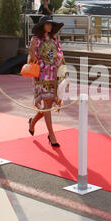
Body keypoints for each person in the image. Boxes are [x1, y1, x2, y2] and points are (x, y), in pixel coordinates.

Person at [27, 15, 67, 147]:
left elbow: (60, 57)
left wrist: (62, 74)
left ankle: (32, 122)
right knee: (47, 105)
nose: (49, 26)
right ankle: (52, 135)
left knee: (47, 107)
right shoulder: (35, 40)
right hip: (41, 75)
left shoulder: (55, 40)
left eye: (51, 24)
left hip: (53, 75)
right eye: (47, 24)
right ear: (42, 26)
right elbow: (33, 57)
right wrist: (34, 54)